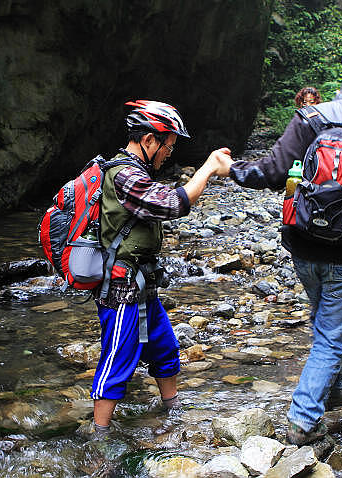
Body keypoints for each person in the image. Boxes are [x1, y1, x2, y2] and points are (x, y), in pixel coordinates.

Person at [214, 71, 342, 446]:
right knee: (331, 337)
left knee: (325, 321)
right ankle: (304, 420)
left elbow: (272, 171)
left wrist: (231, 169)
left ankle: (333, 388)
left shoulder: (310, 119)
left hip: (304, 245)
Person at [88, 100, 231, 439]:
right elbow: (172, 204)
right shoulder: (124, 175)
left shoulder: (137, 172)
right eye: (168, 145)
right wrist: (208, 168)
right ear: (149, 140)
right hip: (121, 289)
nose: (169, 153)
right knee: (117, 361)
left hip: (143, 285)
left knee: (165, 349)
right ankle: (98, 436)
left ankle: (172, 412)